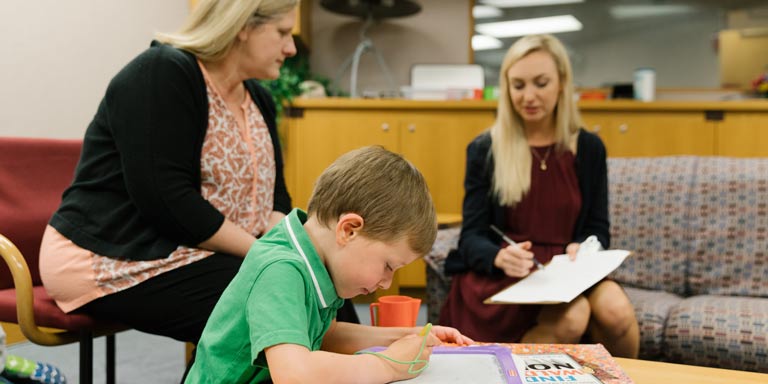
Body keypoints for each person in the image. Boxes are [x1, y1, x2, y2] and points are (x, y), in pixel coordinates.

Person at [37, 0, 368, 351]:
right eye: (283, 33)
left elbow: (276, 201)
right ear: (243, 26)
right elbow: (167, 201)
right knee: (273, 300)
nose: (290, 47)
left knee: (324, 288)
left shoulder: (258, 98)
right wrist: (268, 254)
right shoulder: (163, 73)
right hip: (113, 260)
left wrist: (307, 255)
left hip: (199, 252)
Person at [185, 146, 473, 383]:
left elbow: (326, 336)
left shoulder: (319, 259)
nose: (386, 282)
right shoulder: (280, 269)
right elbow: (294, 373)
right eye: (388, 265)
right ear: (348, 230)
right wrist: (388, 365)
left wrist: (408, 336)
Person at [440, 34, 639, 358]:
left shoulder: (588, 148)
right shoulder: (485, 149)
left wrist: (585, 246)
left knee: (616, 309)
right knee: (573, 318)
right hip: (508, 277)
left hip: (565, 274)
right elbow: (472, 236)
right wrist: (498, 256)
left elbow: (598, 227)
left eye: (541, 83)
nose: (529, 96)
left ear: (561, 83)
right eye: (518, 86)